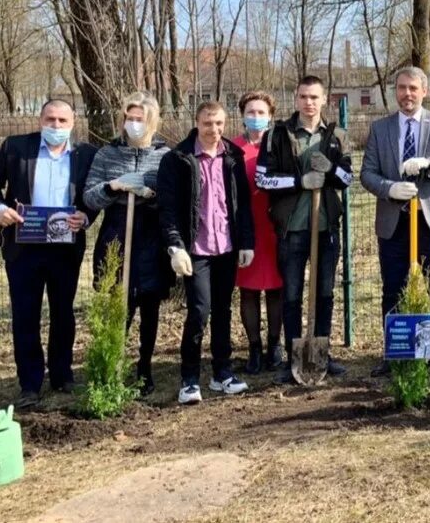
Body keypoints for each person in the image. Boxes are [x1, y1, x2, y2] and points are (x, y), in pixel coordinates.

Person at [0, 99, 97, 409]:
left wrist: (85, 217)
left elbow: (93, 198)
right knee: (25, 315)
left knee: (63, 312)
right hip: (23, 248)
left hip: (65, 247)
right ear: (40, 119)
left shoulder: (86, 155)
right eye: (50, 119)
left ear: (72, 123)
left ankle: (62, 375)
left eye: (62, 120)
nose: (55, 126)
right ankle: (29, 384)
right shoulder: (16, 147)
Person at [361, 66, 430, 381]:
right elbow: (367, 173)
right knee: (392, 288)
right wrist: (388, 188)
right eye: (402, 88)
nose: (407, 94)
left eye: (413, 88)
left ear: (424, 91)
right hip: (394, 221)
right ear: (396, 91)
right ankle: (395, 353)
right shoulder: (380, 128)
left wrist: (429, 165)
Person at [256, 76, 353, 384]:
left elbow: (349, 179)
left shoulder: (338, 135)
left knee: (325, 293)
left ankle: (322, 352)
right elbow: (263, 179)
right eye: (303, 97)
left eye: (314, 97)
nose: (309, 102)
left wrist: (332, 170)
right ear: (295, 99)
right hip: (292, 229)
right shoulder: (277, 135)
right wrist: (299, 182)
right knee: (292, 295)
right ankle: (292, 356)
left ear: (324, 99)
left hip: (326, 228)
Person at [158, 101, 255, 405]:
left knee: (224, 310)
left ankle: (222, 373)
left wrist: (246, 242)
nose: (214, 130)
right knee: (199, 311)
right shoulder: (178, 159)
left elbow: (243, 206)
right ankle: (189, 378)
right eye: (208, 124)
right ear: (197, 123)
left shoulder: (233, 158)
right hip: (195, 250)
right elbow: (168, 207)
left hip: (226, 246)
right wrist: (175, 245)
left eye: (219, 124)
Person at [83, 92, 172, 397]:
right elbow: (89, 196)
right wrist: (113, 186)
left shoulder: (164, 155)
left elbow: (174, 196)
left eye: (140, 119)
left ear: (152, 122)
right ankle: (113, 365)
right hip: (117, 230)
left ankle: (145, 367)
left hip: (151, 233)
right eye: (129, 118)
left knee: (149, 303)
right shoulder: (106, 155)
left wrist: (153, 194)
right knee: (117, 303)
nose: (133, 124)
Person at [232, 91, 285, 374]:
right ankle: (254, 347)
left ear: (270, 116)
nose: (256, 117)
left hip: (274, 225)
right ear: (242, 114)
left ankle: (275, 346)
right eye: (250, 112)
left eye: (261, 112)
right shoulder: (232, 148)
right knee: (249, 291)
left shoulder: (279, 145)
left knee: (276, 288)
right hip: (245, 227)